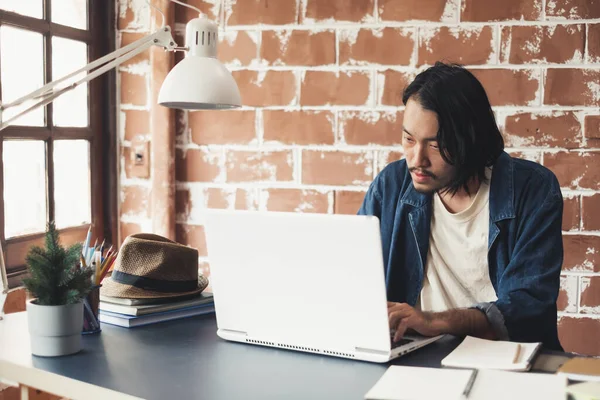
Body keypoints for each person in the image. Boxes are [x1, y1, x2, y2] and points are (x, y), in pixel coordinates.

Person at [358, 62, 563, 350]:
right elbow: (355, 280)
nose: (416, 159)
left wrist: (433, 321)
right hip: (416, 355)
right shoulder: (390, 186)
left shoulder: (532, 190)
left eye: (435, 145)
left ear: (470, 139)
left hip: (505, 358)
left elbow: (527, 305)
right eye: (408, 139)